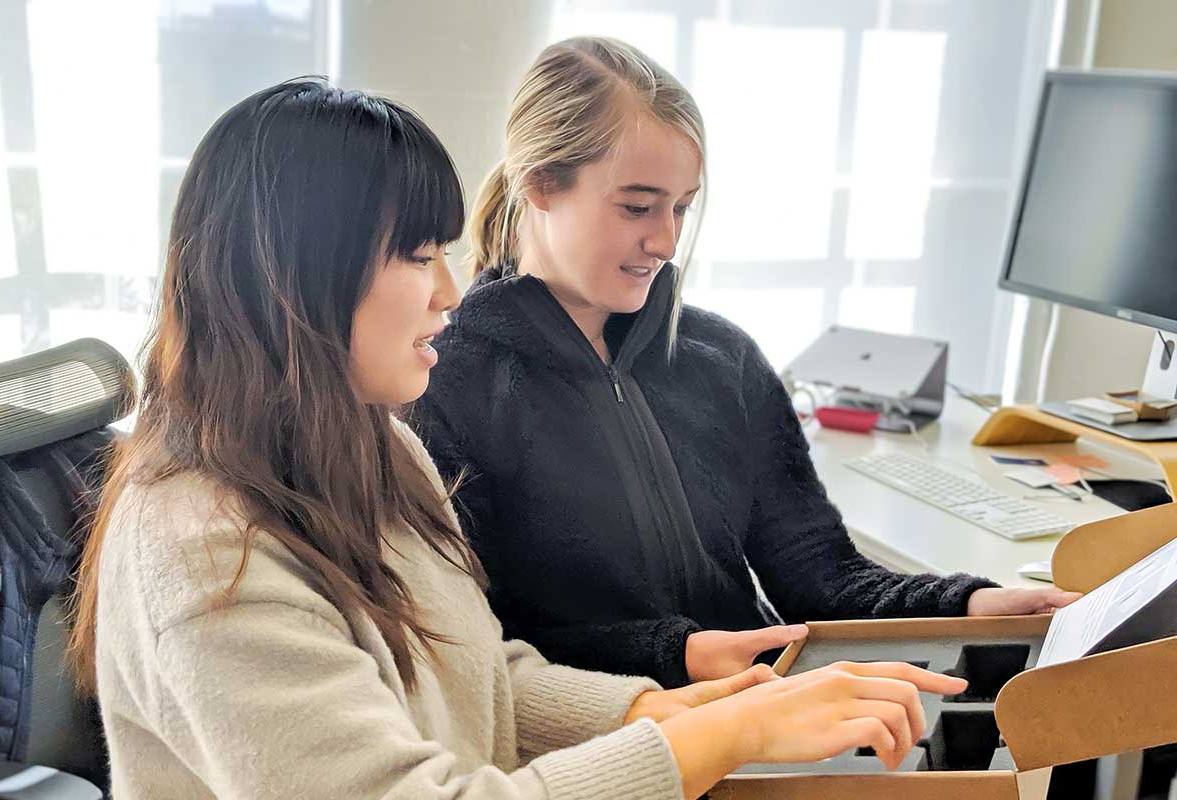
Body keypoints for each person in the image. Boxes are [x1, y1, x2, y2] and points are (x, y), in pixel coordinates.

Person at [66, 78, 966, 800]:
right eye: (418, 256)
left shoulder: (377, 449)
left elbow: (474, 674)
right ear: (294, 276)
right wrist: (713, 738)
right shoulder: (204, 555)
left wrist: (654, 709)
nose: (448, 292)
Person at [413, 37, 1079, 690]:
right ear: (540, 184)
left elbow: (821, 577)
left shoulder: (721, 358)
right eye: (637, 207)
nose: (665, 240)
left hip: (765, 712)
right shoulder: (441, 383)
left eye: (681, 207)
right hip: (616, 739)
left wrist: (966, 604)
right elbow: (486, 648)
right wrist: (678, 655)